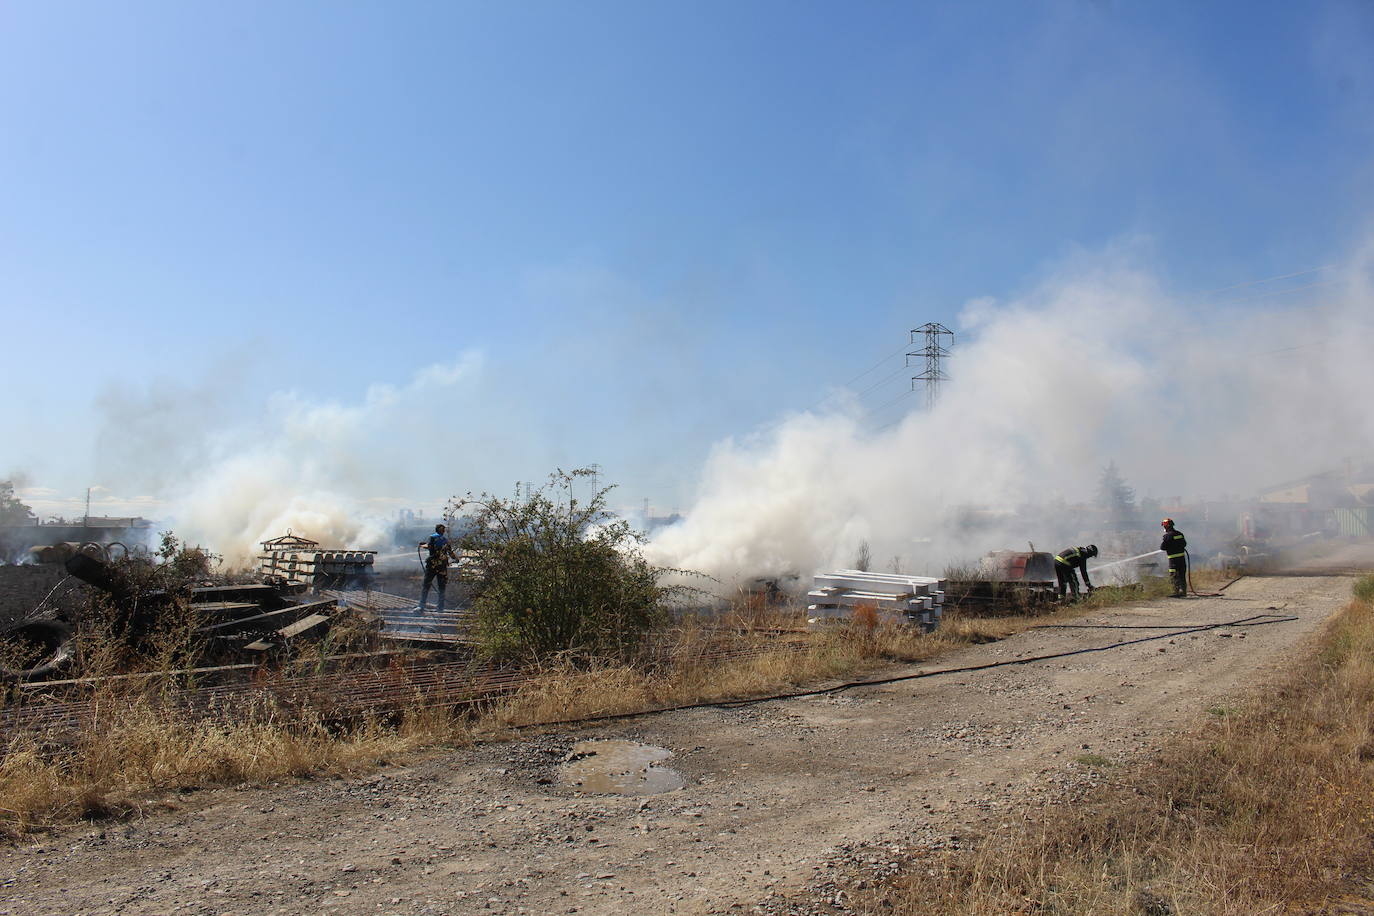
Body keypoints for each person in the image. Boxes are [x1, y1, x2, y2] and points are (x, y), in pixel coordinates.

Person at [419, 523, 454, 612]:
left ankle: (421, 606)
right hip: (442, 566)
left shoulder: (432, 537)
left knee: (426, 585)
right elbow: (450, 553)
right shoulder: (445, 540)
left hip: (433, 565)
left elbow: (430, 546)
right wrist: (456, 559)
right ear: (442, 531)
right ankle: (440, 607)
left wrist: (422, 545)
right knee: (441, 587)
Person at [1160, 518, 1188, 598]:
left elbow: (1162, 547)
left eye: (1164, 526)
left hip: (1173, 561)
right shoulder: (1179, 534)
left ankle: (1175, 592)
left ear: (1166, 527)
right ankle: (1183, 592)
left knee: (1173, 576)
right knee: (1182, 575)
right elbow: (1184, 544)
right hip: (1182, 559)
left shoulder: (1167, 536)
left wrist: (1170, 546)